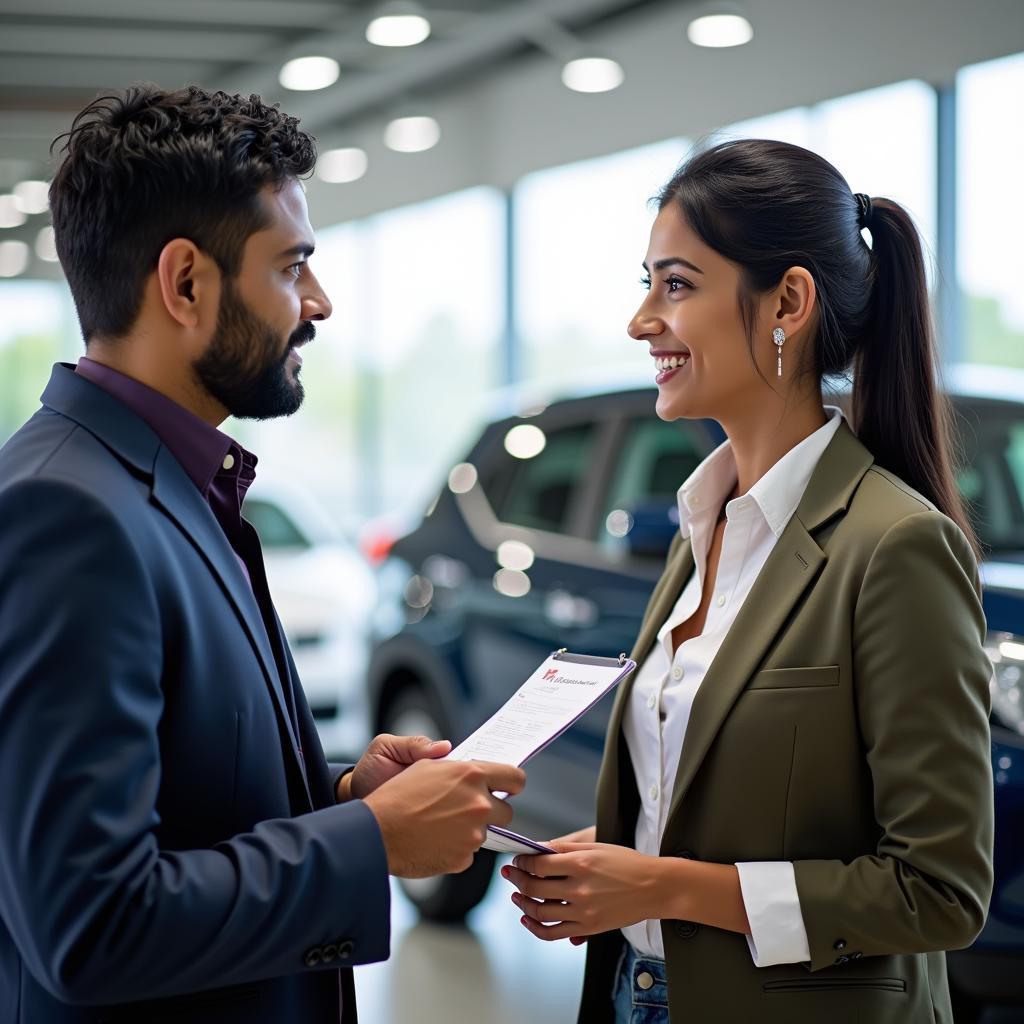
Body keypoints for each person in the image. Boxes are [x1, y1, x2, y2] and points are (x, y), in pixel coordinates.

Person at [0, 85, 525, 1024]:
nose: (318, 303)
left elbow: (180, 799)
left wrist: (340, 795)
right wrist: (369, 841)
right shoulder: (65, 514)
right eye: (292, 268)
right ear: (186, 283)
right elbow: (88, 922)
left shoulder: (162, 482)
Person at [503, 138, 993, 1024]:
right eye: (647, 282)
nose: (642, 319)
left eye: (676, 284)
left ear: (789, 302)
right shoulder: (706, 523)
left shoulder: (896, 547)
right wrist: (619, 856)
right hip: (638, 996)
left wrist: (662, 884)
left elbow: (940, 891)